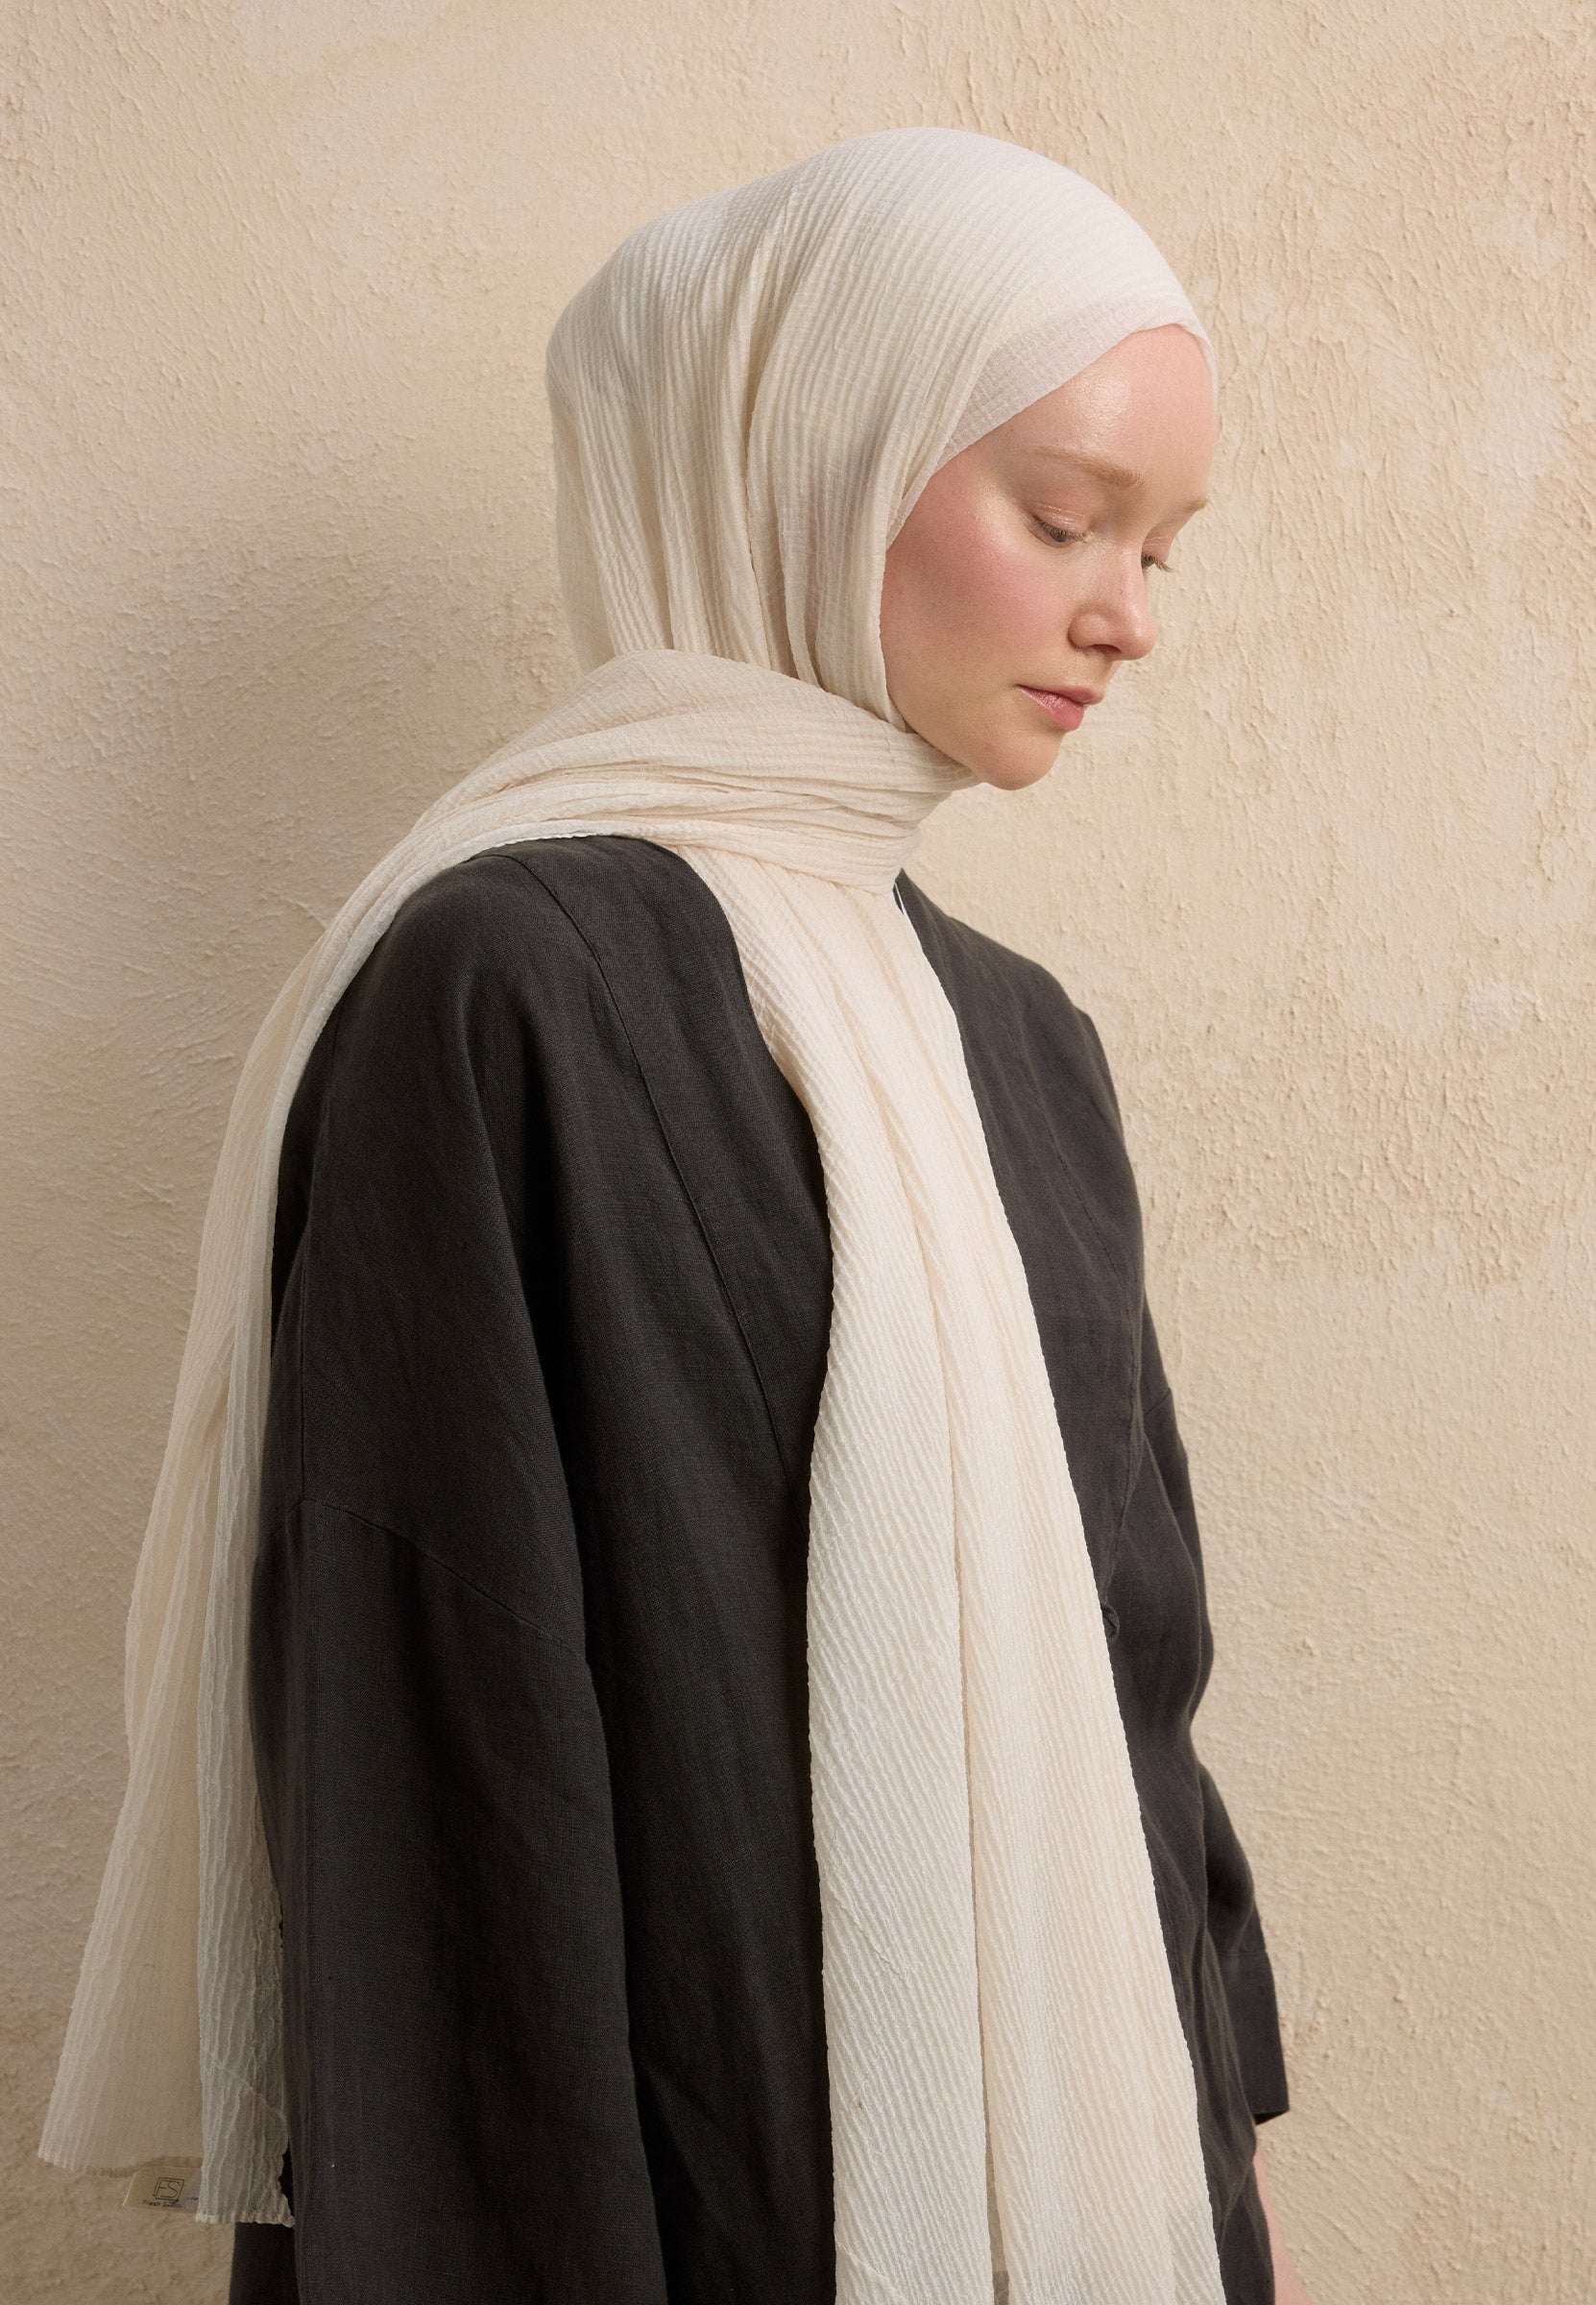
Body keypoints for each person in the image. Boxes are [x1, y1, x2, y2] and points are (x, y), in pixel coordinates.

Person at [41, 128, 1310, 2305]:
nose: (1128, 614)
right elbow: (440, 1752)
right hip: (675, 2221)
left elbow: (1137, 1702)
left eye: (1161, 547)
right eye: (1063, 516)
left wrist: (1224, 2185)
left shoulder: (1024, 1046)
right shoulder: (505, 986)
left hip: (1101, 2201)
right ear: (807, 465)